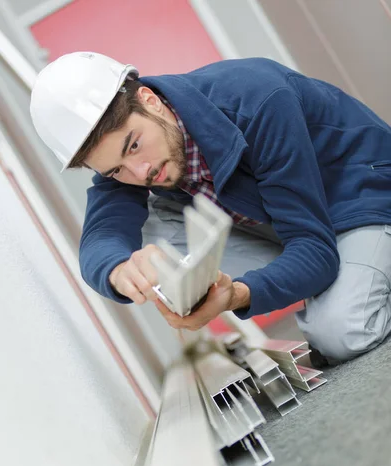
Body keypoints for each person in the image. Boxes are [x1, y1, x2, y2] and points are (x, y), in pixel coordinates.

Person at [30, 51, 391, 364]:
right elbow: (101, 236)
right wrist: (119, 272)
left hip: (362, 201)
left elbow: (314, 249)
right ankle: (358, 279)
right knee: (139, 238)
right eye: (115, 170)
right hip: (296, 225)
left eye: (134, 146)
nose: (140, 172)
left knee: (342, 333)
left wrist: (237, 295)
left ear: (149, 99)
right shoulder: (127, 161)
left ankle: (362, 276)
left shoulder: (258, 99)